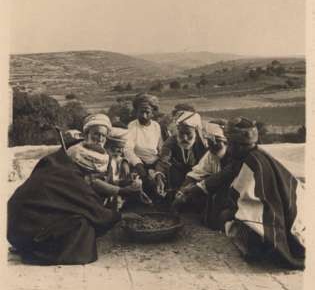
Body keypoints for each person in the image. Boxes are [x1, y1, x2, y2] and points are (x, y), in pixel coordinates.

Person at [7, 113, 140, 265]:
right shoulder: (73, 167)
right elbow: (92, 208)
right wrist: (120, 216)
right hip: (25, 224)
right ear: (86, 133)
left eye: (103, 135)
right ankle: (32, 248)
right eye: (96, 134)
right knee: (83, 227)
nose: (100, 138)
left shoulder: (68, 157)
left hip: (19, 222)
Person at [220, 117, 305, 270]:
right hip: (280, 210)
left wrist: (231, 212)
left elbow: (245, 198)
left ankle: (265, 248)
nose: (228, 148)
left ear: (236, 145)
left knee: (226, 218)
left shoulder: (253, 161)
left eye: (229, 143)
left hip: (274, 215)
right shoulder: (254, 154)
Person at [171, 122, 233, 224]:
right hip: (215, 190)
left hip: (233, 194)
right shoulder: (211, 154)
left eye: (217, 141)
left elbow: (221, 177)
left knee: (218, 219)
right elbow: (198, 172)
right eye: (209, 142)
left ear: (226, 142)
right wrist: (182, 190)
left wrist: (193, 189)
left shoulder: (233, 155)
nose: (212, 145)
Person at [155, 110, 207, 201]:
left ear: (196, 131)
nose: (185, 138)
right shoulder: (171, 142)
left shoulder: (204, 145)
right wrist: (159, 176)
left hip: (198, 176)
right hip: (178, 177)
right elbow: (163, 161)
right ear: (177, 130)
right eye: (181, 133)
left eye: (188, 133)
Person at [124, 93, 164, 201]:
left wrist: (158, 166)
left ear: (153, 112)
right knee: (138, 181)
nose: (144, 116)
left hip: (155, 161)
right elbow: (128, 149)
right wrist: (138, 164)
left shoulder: (156, 126)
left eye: (147, 112)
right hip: (138, 163)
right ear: (136, 111)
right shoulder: (132, 126)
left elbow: (160, 148)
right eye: (141, 112)